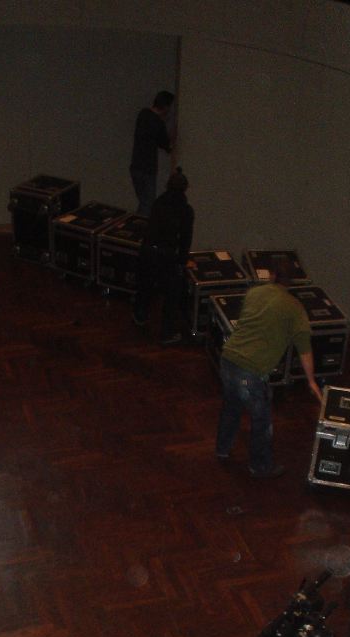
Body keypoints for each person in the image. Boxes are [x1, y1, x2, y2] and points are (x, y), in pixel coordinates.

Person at [216, 256, 322, 478]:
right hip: (251, 370)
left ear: (271, 274)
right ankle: (260, 466)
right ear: (292, 281)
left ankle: (222, 449)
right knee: (262, 420)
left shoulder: (254, 293)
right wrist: (311, 381)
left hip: (228, 358)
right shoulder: (295, 308)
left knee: (231, 407)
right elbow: (305, 349)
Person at [132, 169, 194, 346]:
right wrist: (182, 261)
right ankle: (167, 333)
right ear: (185, 188)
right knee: (171, 295)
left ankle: (140, 315)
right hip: (167, 256)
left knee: (145, 286)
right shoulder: (186, 210)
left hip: (148, 251)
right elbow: (185, 239)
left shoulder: (159, 202)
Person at [129, 91, 174, 216]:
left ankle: (137, 223)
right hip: (148, 169)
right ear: (165, 106)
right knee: (148, 204)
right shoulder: (158, 123)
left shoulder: (143, 114)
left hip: (136, 166)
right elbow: (166, 145)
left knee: (143, 202)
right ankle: (141, 226)